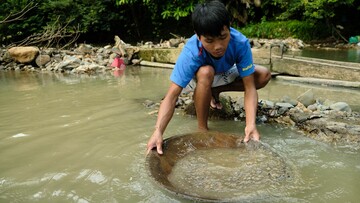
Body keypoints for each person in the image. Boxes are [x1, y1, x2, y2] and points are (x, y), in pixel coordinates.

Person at [146, 0, 271, 155]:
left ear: (229, 29)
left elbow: (249, 87)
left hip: (224, 73)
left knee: (263, 74)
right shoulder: (191, 52)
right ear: (199, 37)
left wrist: (250, 124)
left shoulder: (240, 43)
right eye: (210, 41)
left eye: (223, 37)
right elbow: (171, 96)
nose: (218, 46)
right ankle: (202, 128)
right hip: (198, 79)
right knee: (206, 72)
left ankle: (215, 90)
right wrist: (158, 131)